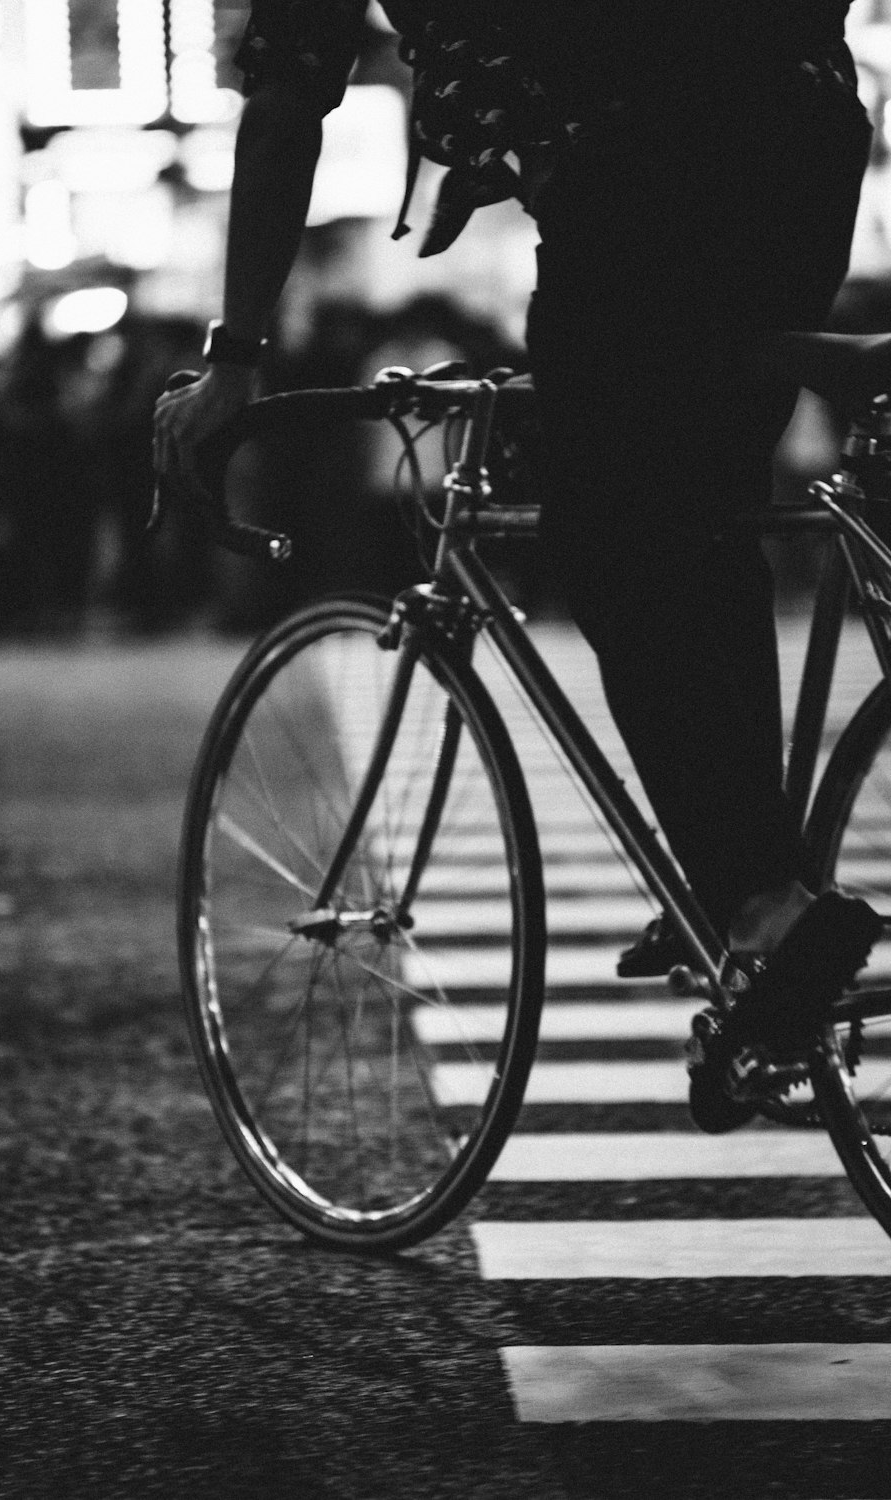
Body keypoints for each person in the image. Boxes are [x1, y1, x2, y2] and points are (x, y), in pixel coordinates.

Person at [152, 1, 890, 1127]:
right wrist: (511, 144)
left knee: (607, 535)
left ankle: (764, 901)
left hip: (645, 155)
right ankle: (742, 873)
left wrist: (236, 355)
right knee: (696, 507)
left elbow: (291, 87)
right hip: (807, 128)